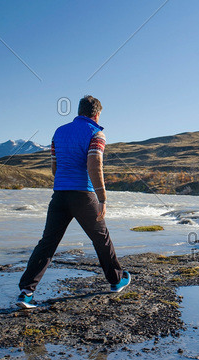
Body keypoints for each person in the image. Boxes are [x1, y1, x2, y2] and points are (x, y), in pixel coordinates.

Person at [16, 95, 130, 309]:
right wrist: (102, 198)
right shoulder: (97, 133)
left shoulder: (58, 132)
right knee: (101, 238)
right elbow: (94, 164)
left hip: (59, 194)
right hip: (83, 195)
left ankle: (26, 292)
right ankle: (117, 280)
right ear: (96, 113)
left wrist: (62, 183)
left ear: (79, 111)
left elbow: (55, 166)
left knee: (47, 242)